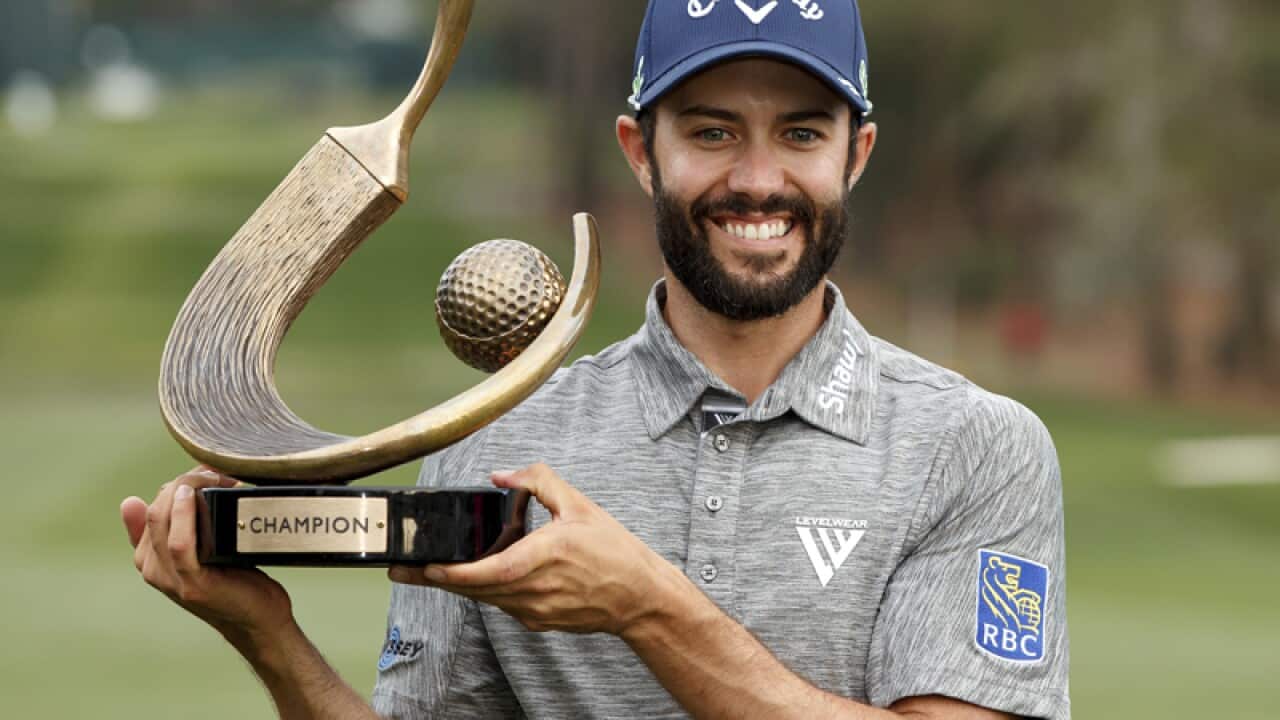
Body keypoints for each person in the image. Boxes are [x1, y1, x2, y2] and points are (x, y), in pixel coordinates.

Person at [122, 1, 1069, 718]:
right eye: (709, 131)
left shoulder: (976, 448)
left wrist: (648, 607)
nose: (757, 178)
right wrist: (271, 637)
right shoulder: (494, 444)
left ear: (855, 154)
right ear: (639, 151)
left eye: (802, 133)